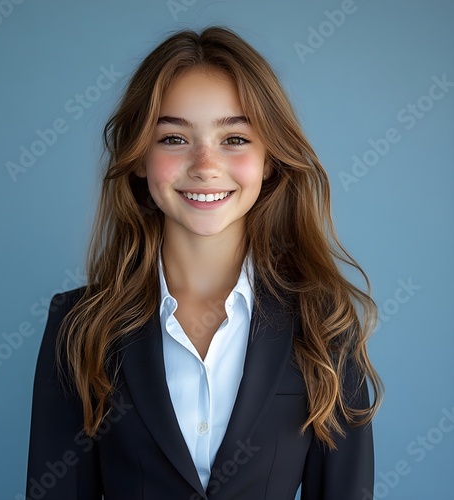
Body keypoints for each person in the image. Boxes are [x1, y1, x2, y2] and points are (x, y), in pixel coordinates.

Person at [26, 26, 383, 499]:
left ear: (270, 159)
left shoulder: (325, 322)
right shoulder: (77, 326)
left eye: (234, 138)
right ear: (138, 158)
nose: (205, 164)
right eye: (174, 139)